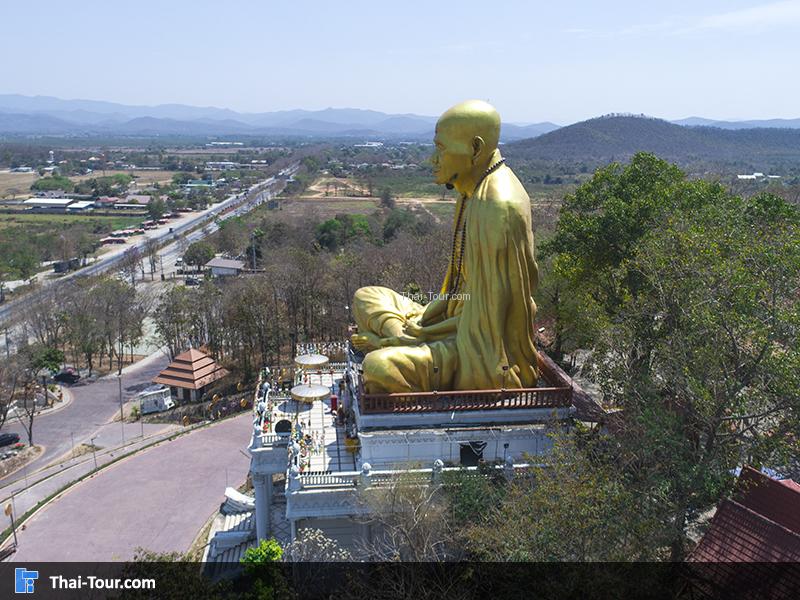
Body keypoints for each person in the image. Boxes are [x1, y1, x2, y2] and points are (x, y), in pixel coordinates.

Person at [351, 100, 539, 393]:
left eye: (441, 149)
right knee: (367, 296)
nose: (433, 160)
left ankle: (393, 344)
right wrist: (423, 321)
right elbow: (455, 290)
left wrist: (416, 335)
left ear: (475, 149)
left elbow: (482, 324)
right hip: (450, 321)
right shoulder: (470, 190)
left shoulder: (497, 206)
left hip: (473, 349)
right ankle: (397, 337)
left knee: (378, 367)